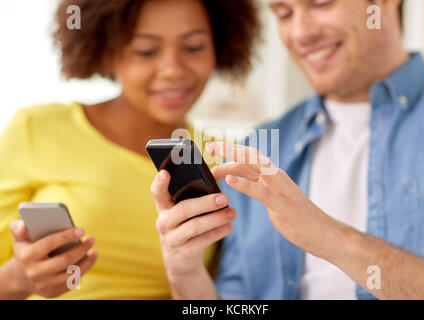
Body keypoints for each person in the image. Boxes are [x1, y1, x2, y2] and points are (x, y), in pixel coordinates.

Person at [151, 0, 424, 299]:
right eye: (284, 13)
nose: (300, 33)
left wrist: (333, 239)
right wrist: (185, 272)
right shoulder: (259, 147)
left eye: (320, 3)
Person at [0, 0, 260, 299]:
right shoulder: (37, 129)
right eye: (146, 51)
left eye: (193, 47)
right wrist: (20, 279)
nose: (173, 70)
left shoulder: (221, 160)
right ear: (107, 54)